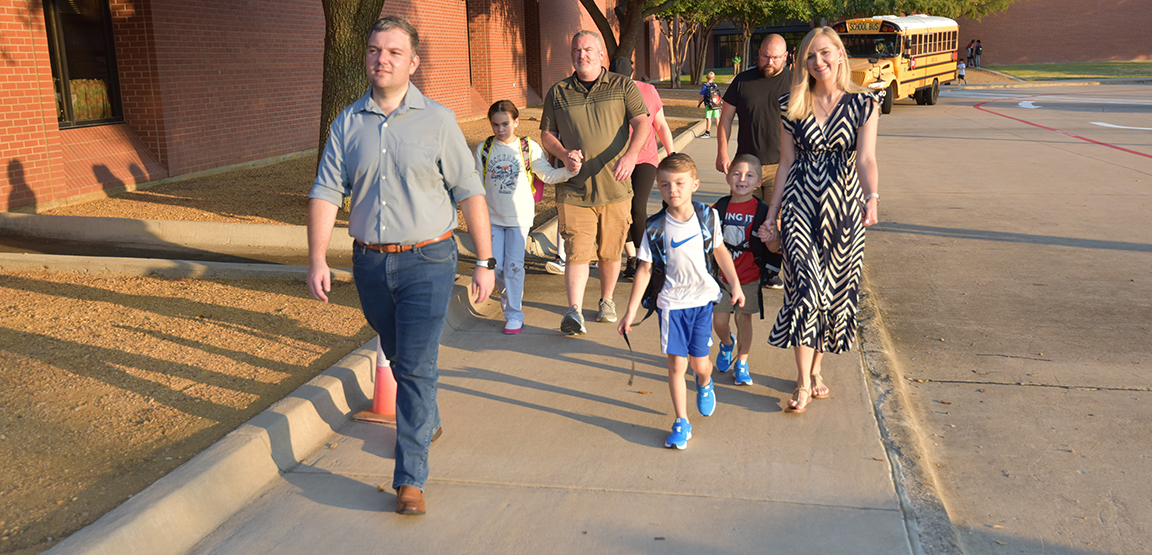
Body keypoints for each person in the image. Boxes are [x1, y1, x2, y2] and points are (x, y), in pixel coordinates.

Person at [307, 16, 495, 516]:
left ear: (413, 62)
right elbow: (326, 191)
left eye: (393, 52)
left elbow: (469, 190)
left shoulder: (438, 121)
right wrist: (317, 257)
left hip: (429, 259)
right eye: (374, 51)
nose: (381, 59)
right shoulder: (346, 123)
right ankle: (425, 414)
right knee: (398, 349)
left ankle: (409, 478)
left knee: (413, 362)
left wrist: (486, 260)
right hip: (370, 264)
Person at [760, 27, 880, 414]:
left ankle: (815, 371)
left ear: (840, 55)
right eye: (811, 56)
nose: (819, 62)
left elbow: (865, 159)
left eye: (825, 53)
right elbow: (786, 163)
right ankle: (801, 382)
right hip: (800, 207)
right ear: (803, 62)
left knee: (831, 294)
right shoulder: (791, 104)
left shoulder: (864, 105)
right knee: (806, 292)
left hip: (843, 210)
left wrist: (872, 197)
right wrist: (772, 215)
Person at [617, 153, 744, 449]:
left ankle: (705, 383)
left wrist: (735, 284)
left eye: (679, 183)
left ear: (694, 184)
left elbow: (720, 251)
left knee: (700, 365)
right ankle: (681, 422)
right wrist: (630, 312)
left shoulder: (707, 216)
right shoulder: (654, 227)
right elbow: (645, 269)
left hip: (701, 303)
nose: (672, 189)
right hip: (671, 305)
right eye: (664, 184)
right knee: (676, 366)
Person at [540, 30, 650, 335]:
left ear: (601, 54)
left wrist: (630, 157)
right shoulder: (558, 92)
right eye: (576, 50)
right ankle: (573, 311)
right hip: (575, 189)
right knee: (576, 250)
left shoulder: (622, 85)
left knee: (611, 251)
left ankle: (606, 299)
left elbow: (642, 122)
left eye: (588, 49)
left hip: (615, 187)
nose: (582, 54)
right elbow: (547, 134)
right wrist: (563, 154)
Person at [477, 100, 578, 334]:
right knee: (499, 268)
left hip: (519, 218)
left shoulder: (528, 147)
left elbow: (549, 175)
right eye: (495, 125)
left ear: (516, 121)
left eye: (505, 124)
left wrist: (570, 171)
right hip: (492, 217)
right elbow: (475, 182)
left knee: (513, 266)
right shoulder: (484, 148)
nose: (500, 129)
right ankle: (510, 307)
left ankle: (514, 314)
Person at [715, 34, 791, 288]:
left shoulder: (796, 83)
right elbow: (725, 119)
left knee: (773, 222)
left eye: (775, 57)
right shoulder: (742, 81)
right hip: (746, 167)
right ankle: (738, 269)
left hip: (782, 167)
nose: (769, 62)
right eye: (765, 56)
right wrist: (723, 153)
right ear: (758, 54)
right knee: (742, 220)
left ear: (786, 57)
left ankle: (770, 269)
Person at [608, 56, 676, 280]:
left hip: (645, 157)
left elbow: (661, 124)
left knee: (637, 207)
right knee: (622, 210)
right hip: (617, 159)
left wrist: (672, 154)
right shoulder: (606, 92)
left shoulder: (648, 90)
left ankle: (644, 258)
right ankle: (632, 259)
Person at [712, 154, 773, 387]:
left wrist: (773, 237)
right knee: (718, 321)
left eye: (749, 175)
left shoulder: (762, 210)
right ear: (728, 177)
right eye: (736, 173)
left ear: (759, 181)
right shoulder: (720, 206)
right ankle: (727, 343)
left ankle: (742, 363)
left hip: (749, 276)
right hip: (721, 277)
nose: (742, 179)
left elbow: (773, 246)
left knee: (743, 319)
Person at [697, 71, 721, 139]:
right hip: (716, 104)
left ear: (706, 77)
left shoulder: (705, 86)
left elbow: (702, 95)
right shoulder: (715, 85)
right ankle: (720, 133)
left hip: (708, 104)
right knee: (717, 119)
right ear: (713, 78)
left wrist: (699, 103)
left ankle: (707, 132)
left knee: (709, 118)